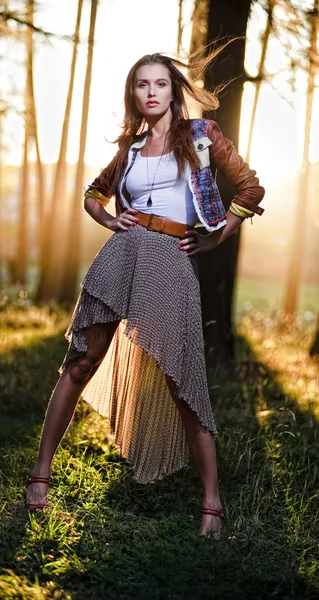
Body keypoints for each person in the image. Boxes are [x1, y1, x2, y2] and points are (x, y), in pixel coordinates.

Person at [26, 50, 265, 539]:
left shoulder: (202, 137)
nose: (150, 92)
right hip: (120, 256)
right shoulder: (130, 149)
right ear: (133, 93)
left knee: (184, 382)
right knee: (79, 362)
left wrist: (217, 236)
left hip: (169, 262)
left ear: (174, 90)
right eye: (141, 84)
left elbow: (249, 189)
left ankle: (212, 502)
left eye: (159, 83)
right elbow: (94, 193)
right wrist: (110, 218)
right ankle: (39, 477)